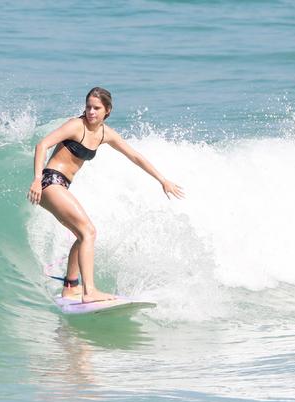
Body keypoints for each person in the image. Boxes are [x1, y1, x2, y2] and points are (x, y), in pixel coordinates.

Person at [27, 87, 184, 303]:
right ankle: (89, 292)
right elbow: (42, 144)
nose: (91, 111)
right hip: (50, 181)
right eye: (88, 107)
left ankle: (70, 287)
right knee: (89, 231)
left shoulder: (104, 133)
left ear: (107, 111)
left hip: (62, 185)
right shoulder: (76, 125)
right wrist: (37, 178)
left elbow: (135, 156)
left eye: (96, 108)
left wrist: (162, 180)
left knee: (83, 236)